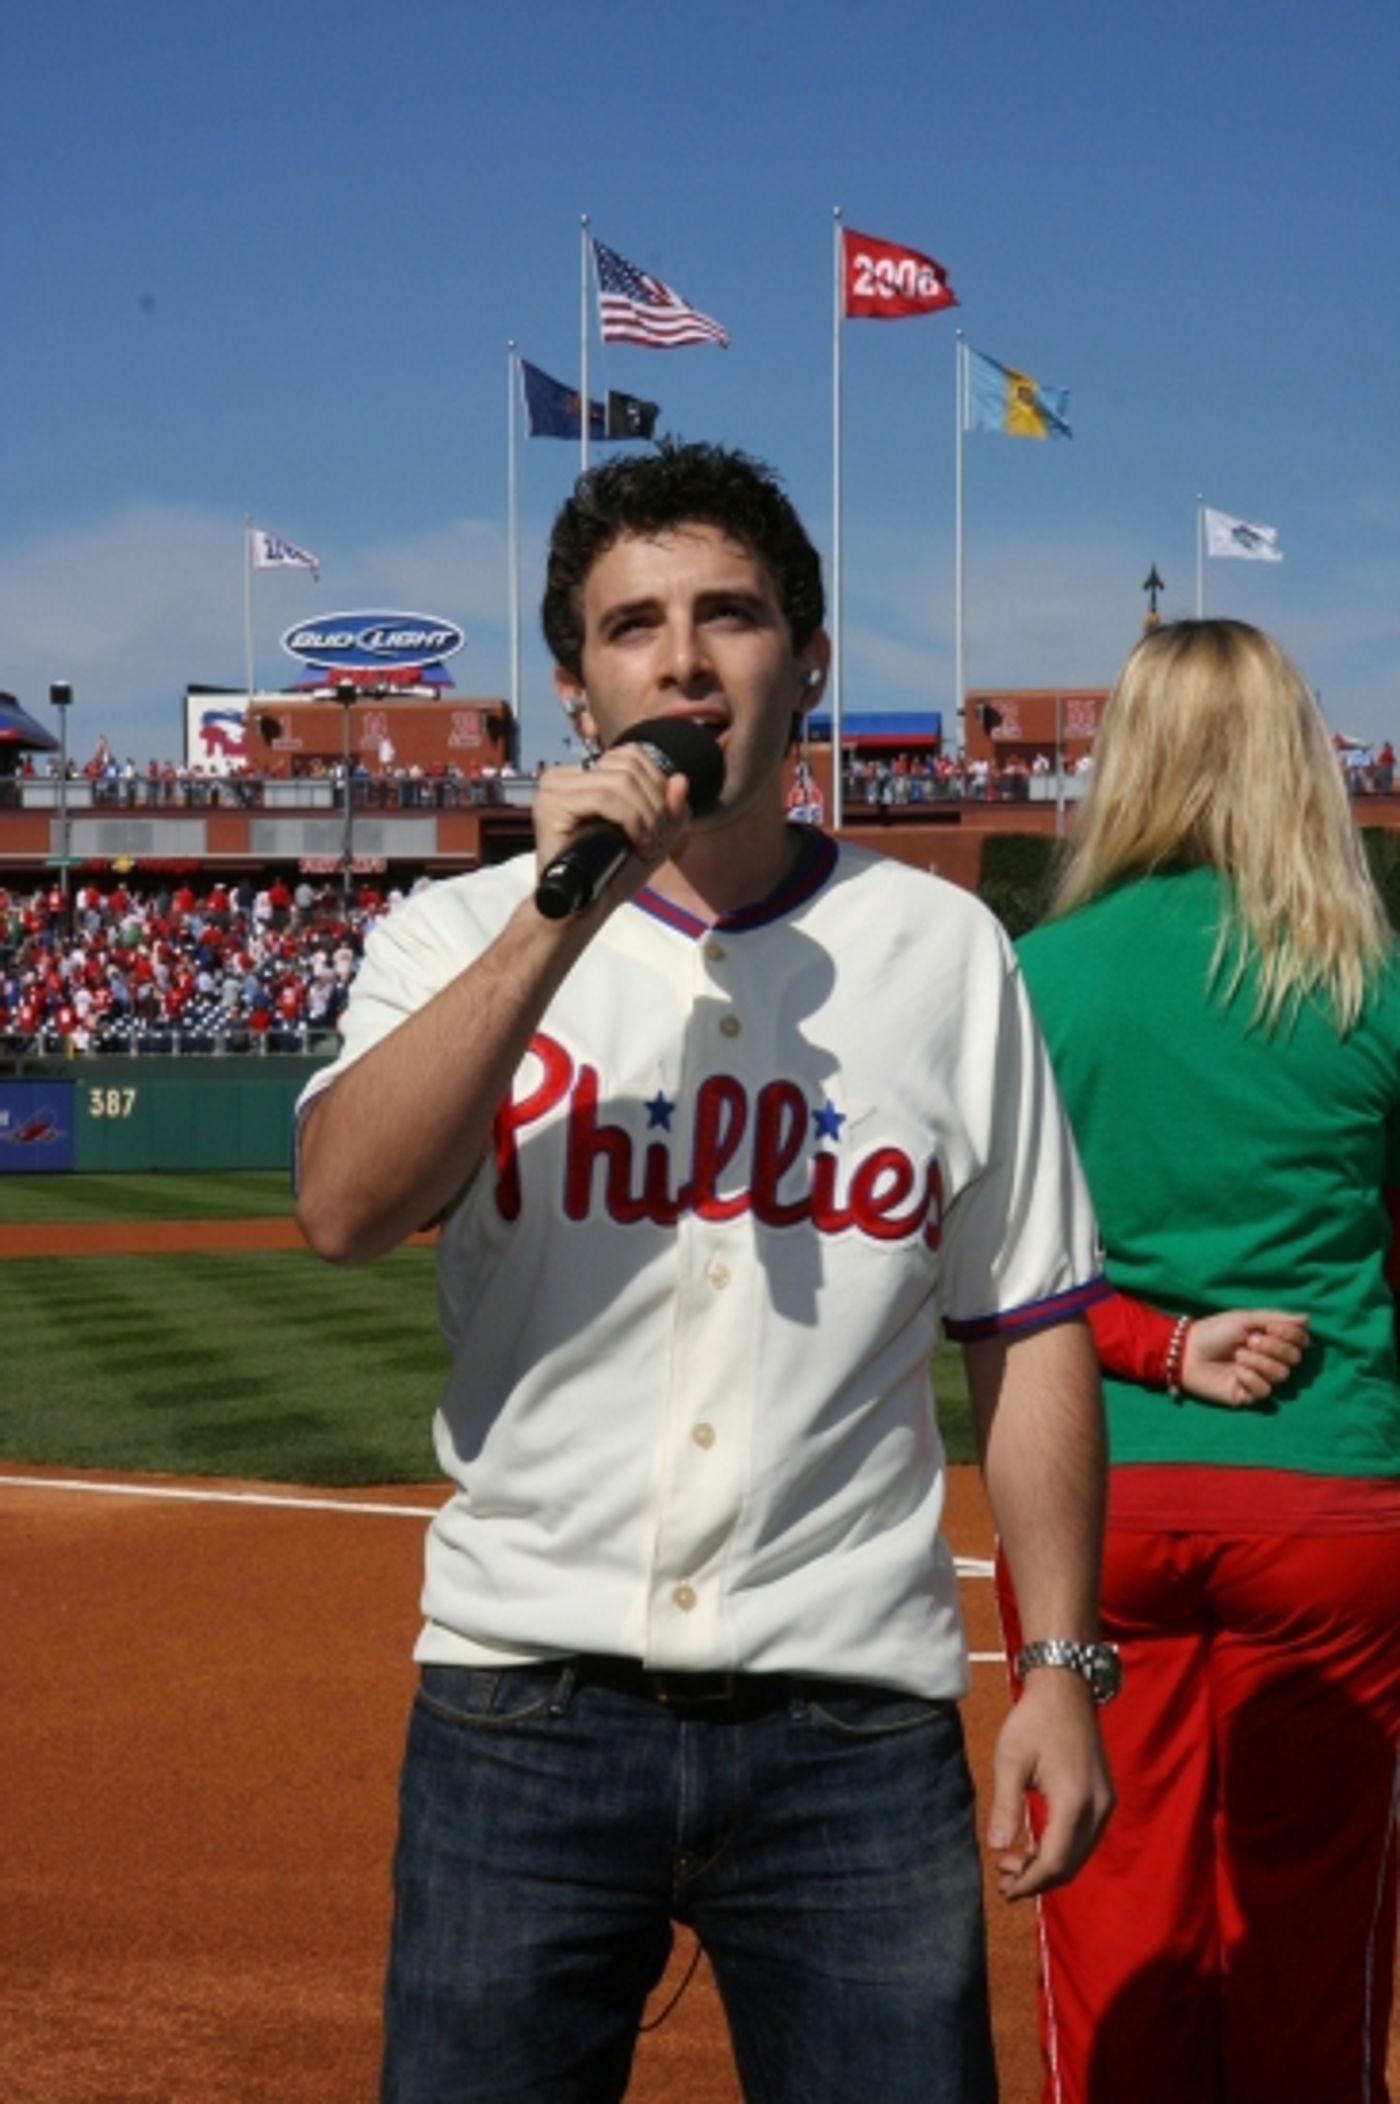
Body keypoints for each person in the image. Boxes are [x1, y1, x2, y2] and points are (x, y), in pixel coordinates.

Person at [296, 441, 1115, 2104]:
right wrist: (556, 916)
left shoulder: (943, 947)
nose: (682, 658)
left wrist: (1059, 1669)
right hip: (519, 1707)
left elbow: (1026, 1328)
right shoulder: (457, 935)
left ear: (805, 664)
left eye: (730, 615)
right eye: (633, 626)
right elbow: (344, 1207)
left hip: (853, 1726)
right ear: (573, 688)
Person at [1011, 618, 1400, 2104]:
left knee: (1112, 1935)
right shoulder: (1376, 980)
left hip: (1100, 1506)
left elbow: (975, 1272)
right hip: (1335, 1508)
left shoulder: (1039, 974)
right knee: (1313, 1950)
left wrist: (1152, 1346)